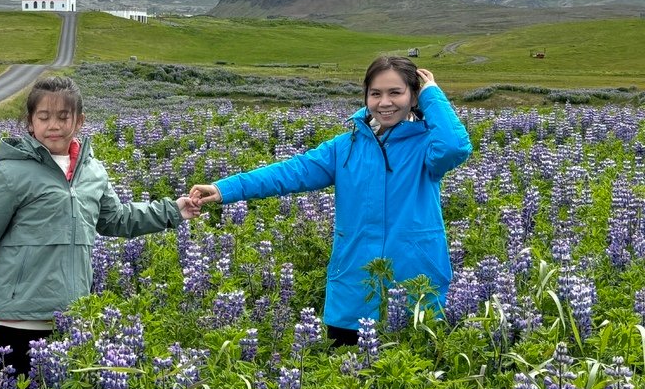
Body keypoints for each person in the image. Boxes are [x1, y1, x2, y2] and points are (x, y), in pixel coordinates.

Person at [189, 57, 471, 346]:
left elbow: (455, 146)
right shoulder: (345, 146)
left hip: (414, 285)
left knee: (407, 379)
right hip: (354, 285)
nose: (384, 102)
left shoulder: (427, 146)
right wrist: (225, 189)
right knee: (346, 378)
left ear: (414, 97)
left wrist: (433, 94)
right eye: (375, 93)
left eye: (395, 93)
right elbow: (290, 172)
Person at [0, 75, 199, 378]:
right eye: (44, 117)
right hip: (19, 315)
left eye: (63, 116)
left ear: (79, 121)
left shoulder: (92, 171)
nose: (54, 125)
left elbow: (118, 218)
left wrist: (173, 210)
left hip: (72, 314)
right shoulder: (11, 172)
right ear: (30, 122)